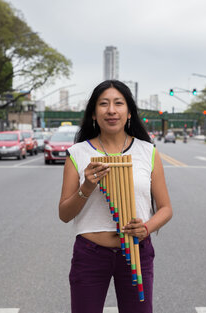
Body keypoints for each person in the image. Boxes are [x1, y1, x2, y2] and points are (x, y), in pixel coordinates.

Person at [58, 80, 173, 313]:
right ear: (93, 113)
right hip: (90, 253)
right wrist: (86, 187)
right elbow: (64, 214)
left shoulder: (147, 151)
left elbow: (165, 208)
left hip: (136, 250)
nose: (111, 110)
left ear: (129, 112)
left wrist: (147, 228)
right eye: (104, 104)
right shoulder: (77, 154)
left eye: (118, 103)